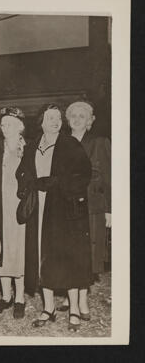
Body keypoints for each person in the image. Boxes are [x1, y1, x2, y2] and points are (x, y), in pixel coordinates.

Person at [16, 103, 92, 331]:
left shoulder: (71, 144)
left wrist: (58, 183)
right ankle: (47, 307)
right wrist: (29, 185)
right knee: (41, 254)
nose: (55, 121)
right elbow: (23, 172)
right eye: (50, 117)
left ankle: (74, 310)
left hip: (63, 208)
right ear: (41, 121)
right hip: (38, 208)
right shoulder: (31, 146)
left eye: (58, 118)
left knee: (66, 255)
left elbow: (84, 175)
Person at [56, 101, 111, 319]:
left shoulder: (100, 142)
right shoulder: (61, 143)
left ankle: (82, 299)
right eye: (73, 116)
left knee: (88, 254)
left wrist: (110, 210)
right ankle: (72, 301)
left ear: (89, 120)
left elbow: (109, 178)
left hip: (93, 207)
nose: (77, 119)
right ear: (68, 121)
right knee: (71, 253)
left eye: (82, 116)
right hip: (67, 207)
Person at [0, 107, 26, 319]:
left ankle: (20, 297)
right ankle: (5, 296)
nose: (6, 128)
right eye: (3, 124)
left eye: (10, 123)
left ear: (21, 125)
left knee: (17, 250)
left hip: (19, 207)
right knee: (0, 249)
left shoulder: (27, 147)